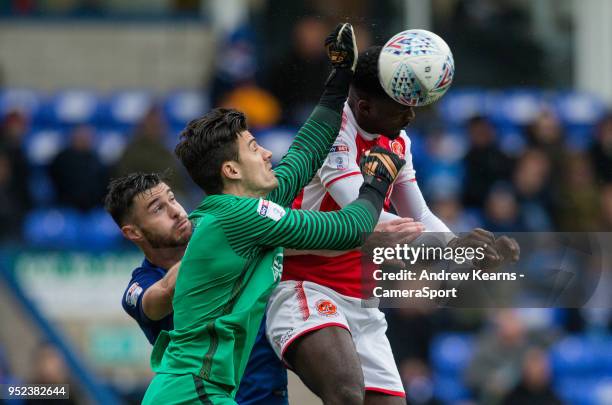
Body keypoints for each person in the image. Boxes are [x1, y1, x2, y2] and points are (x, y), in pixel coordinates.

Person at [141, 23, 407, 405]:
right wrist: (376, 184)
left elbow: (305, 151)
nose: (267, 153)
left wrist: (339, 78)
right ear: (231, 171)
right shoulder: (241, 218)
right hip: (192, 392)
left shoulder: (244, 208)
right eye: (253, 148)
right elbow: (348, 229)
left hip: (205, 390)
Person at [266, 46, 520, 405]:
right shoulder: (333, 133)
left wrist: (463, 248)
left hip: (362, 297)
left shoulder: (398, 140)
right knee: (345, 392)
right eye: (402, 107)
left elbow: (420, 215)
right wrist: (449, 248)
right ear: (365, 107)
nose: (412, 115)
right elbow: (364, 218)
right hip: (304, 285)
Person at [105, 172, 289, 404]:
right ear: (133, 232)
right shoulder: (141, 285)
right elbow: (161, 295)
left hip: (266, 395)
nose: (175, 211)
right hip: (201, 396)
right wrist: (213, 244)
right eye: (157, 209)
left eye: (172, 199)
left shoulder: (223, 238)